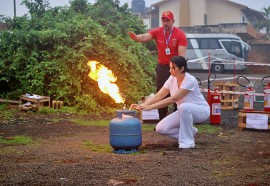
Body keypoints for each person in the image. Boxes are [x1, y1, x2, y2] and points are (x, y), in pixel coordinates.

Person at [135, 56, 210, 149]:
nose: (170, 70)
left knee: (183, 107)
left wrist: (150, 108)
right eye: (170, 67)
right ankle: (189, 132)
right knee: (161, 128)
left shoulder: (190, 80)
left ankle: (187, 142)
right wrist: (143, 105)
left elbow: (173, 99)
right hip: (184, 110)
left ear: (182, 69)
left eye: (173, 68)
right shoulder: (172, 78)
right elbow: (159, 96)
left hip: (201, 111)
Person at [128, 10, 188, 120]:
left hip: (176, 67)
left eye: (168, 20)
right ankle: (162, 119)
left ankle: (179, 118)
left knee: (177, 93)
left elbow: (181, 56)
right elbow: (145, 36)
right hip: (163, 67)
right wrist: (137, 38)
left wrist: (178, 70)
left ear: (173, 21)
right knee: (161, 92)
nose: (165, 23)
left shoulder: (180, 34)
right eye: (163, 20)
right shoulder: (158, 31)